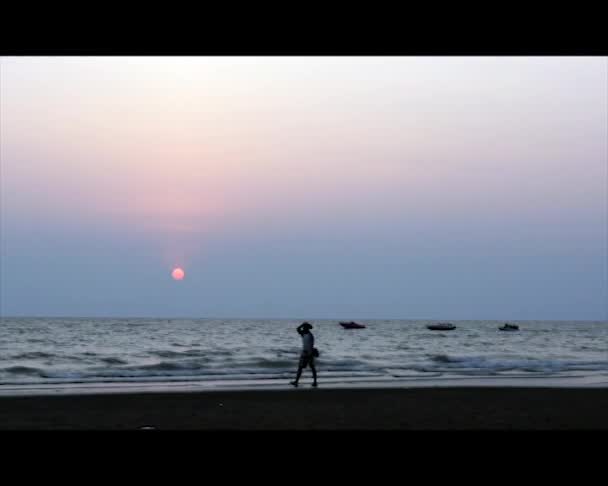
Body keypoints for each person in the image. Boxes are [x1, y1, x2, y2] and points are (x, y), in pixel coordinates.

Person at [290, 322, 318, 388]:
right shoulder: (304, 334)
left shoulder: (310, 336)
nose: (303, 329)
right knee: (308, 368)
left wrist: (309, 354)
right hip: (305, 353)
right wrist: (302, 324)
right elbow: (297, 329)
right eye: (303, 328)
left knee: (308, 368)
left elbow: (310, 346)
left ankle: (314, 382)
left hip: (308, 353)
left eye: (304, 328)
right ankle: (314, 382)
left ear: (307, 328)